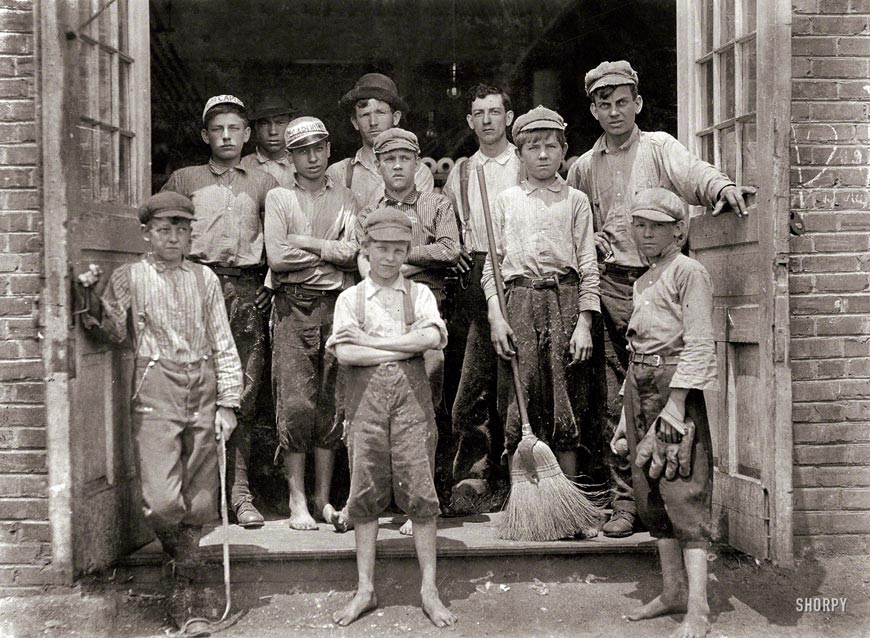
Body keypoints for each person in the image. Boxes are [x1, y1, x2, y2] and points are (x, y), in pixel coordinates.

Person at [566, 60, 755, 538]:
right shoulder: (584, 166)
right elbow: (569, 218)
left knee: (670, 392)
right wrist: (591, 240)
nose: (614, 112)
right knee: (617, 400)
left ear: (638, 103)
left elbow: (693, 174)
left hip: (659, 284)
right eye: (604, 104)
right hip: (612, 287)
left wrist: (722, 187)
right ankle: (626, 504)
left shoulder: (658, 147)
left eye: (623, 102)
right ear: (593, 109)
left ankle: (677, 509)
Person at [77, 192, 243, 635]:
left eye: (181, 230)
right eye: (164, 230)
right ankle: (186, 570)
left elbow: (223, 340)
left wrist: (228, 402)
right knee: (163, 497)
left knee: (203, 494)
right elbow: (113, 331)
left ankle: (185, 593)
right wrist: (89, 294)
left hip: (203, 381)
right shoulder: (129, 276)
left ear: (191, 234)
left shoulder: (205, 278)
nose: (173, 238)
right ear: (146, 234)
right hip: (156, 383)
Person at [328, 207, 456, 629]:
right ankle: (365, 589)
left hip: (411, 405)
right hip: (364, 405)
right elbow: (345, 353)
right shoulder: (350, 299)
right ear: (366, 249)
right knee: (363, 492)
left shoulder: (420, 295)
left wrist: (373, 343)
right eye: (382, 248)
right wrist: (404, 347)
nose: (390, 257)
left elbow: (433, 337)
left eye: (399, 249)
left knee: (420, 490)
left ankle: (429, 590)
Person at [162, 94, 278, 529]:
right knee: (197, 388)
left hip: (249, 290)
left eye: (234, 129)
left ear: (247, 134)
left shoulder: (265, 182)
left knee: (242, 394)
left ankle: (241, 494)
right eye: (217, 129)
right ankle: (200, 496)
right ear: (205, 135)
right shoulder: (185, 179)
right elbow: (162, 233)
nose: (226, 136)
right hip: (197, 289)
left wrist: (271, 281)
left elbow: (281, 238)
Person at [610, 188, 718, 638]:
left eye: (656, 225)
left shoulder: (688, 271)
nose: (646, 233)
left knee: (683, 493)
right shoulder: (643, 279)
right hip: (640, 385)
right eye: (640, 224)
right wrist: (624, 415)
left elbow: (698, 342)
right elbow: (637, 350)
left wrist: (675, 407)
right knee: (649, 492)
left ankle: (699, 608)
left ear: (679, 229)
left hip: (675, 389)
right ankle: (672, 590)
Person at [483, 106, 601, 484]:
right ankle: (526, 496)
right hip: (518, 301)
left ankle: (568, 497)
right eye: (533, 147)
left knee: (566, 393)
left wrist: (584, 321)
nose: (544, 154)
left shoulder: (575, 201)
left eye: (552, 146)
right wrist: (496, 317)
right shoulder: (506, 201)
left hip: (563, 299)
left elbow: (588, 263)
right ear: (520, 154)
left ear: (564, 150)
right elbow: (494, 267)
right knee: (521, 392)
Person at [355, 127, 460, 536]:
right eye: (389, 159)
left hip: (424, 311)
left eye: (405, 158)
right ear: (378, 165)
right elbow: (361, 257)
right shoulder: (367, 210)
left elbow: (450, 250)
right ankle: (383, 501)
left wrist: (396, 258)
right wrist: (400, 262)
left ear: (417, 163)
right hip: (380, 317)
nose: (397, 166)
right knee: (380, 410)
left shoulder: (436, 203)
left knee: (424, 407)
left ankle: (420, 501)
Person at [265, 116, 359, 530]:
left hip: (336, 306)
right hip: (293, 307)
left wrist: (307, 243)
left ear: (328, 149)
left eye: (319, 147)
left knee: (331, 402)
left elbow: (356, 254)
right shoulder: (279, 199)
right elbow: (277, 259)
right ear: (291, 157)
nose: (313, 157)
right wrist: (328, 253)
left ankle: (322, 496)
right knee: (297, 404)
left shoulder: (347, 198)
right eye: (303, 150)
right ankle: (296, 499)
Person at [443, 83, 521, 511]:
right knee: (472, 386)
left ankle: (515, 477)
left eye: (494, 111)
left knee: (513, 383)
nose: (487, 119)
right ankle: (475, 478)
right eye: (479, 112)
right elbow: (452, 224)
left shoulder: (524, 162)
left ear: (508, 117)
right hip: (476, 277)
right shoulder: (462, 171)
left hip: (516, 272)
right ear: (470, 121)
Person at [326, 73, 434, 209]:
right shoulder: (339, 173)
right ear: (355, 122)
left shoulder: (418, 172)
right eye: (365, 115)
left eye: (380, 113)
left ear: (395, 118)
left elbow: (417, 225)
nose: (373, 122)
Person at [240, 92, 297, 188]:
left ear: (290, 124)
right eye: (264, 123)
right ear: (256, 127)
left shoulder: (302, 164)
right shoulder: (242, 167)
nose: (273, 131)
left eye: (280, 123)